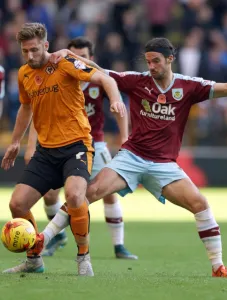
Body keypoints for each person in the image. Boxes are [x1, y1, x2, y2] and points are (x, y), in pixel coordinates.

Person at [32, 37, 227, 278]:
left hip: (163, 164)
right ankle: (44, 238)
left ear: (170, 60)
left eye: (156, 61)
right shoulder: (137, 81)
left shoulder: (188, 86)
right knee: (88, 194)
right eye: (148, 61)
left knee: (200, 204)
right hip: (132, 157)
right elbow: (101, 71)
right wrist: (70, 56)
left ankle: (218, 267)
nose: (151, 66)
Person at [1, 23, 126, 276]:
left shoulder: (64, 63)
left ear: (46, 45)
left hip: (76, 146)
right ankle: (34, 258)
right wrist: (16, 141)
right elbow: (26, 108)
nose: (30, 56)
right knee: (17, 204)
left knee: (75, 196)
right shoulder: (24, 73)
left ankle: (83, 256)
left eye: (34, 50)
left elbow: (105, 78)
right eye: (25, 51)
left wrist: (114, 99)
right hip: (46, 152)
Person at [24, 37, 137, 259]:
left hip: (95, 142)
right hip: (63, 144)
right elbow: (39, 113)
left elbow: (118, 105)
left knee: (108, 194)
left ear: (90, 58)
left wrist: (125, 136)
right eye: (72, 55)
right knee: (49, 195)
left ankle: (119, 245)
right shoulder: (58, 77)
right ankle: (58, 236)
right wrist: (30, 146)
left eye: (82, 56)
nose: (77, 59)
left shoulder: (96, 80)